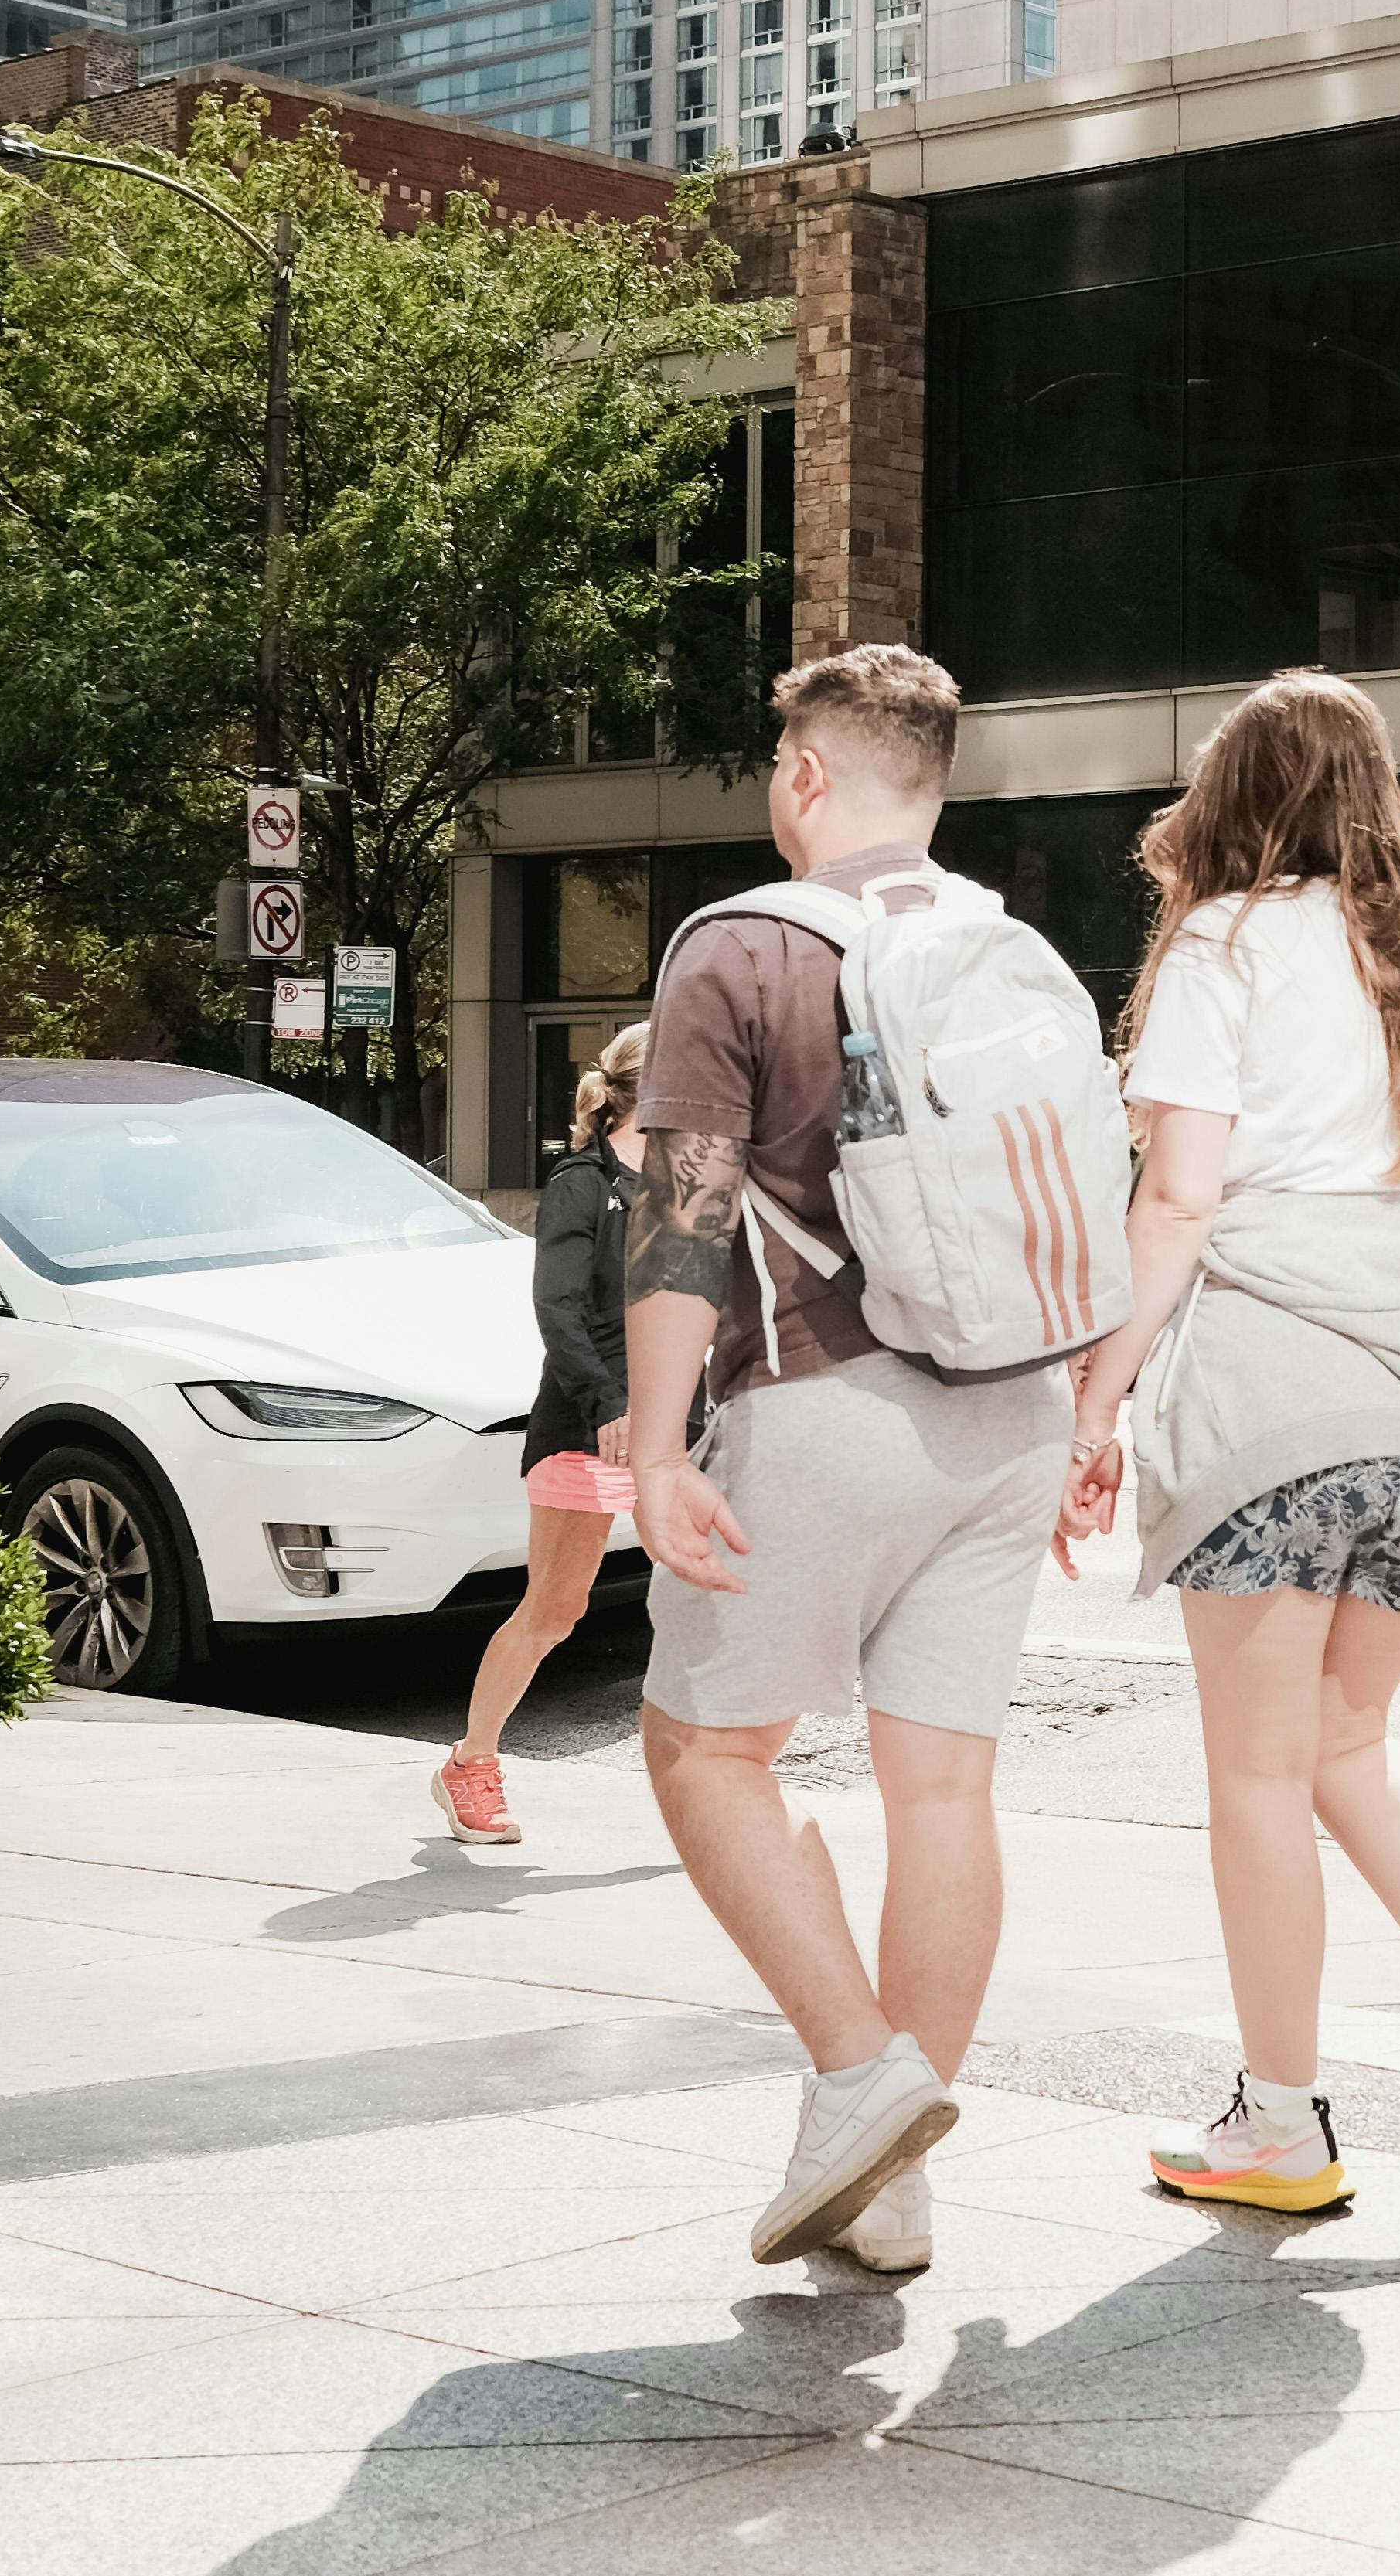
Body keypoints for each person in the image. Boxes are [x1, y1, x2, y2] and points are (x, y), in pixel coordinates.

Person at [1054, 669, 1400, 2220]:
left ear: (1239, 798)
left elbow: (1178, 1199)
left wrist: (1096, 1397)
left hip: (1274, 1404)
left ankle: (1280, 2125)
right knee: (1348, 1745)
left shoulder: (1224, 943)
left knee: (1259, 1776)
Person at [624, 643, 1077, 2279]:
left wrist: (658, 1446)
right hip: (1017, 1411)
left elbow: (685, 1210)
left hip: (829, 1401)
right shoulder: (1011, 947)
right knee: (942, 1789)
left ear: (804, 773)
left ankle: (858, 2074)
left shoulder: (737, 946)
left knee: (704, 1752)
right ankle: (892, 2192)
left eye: (775, 762)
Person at [431, 1020, 650, 1846]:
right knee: (556, 1609)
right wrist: (608, 1405)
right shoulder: (581, 1184)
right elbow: (558, 1310)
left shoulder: (696, 1181)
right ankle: (471, 1763)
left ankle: (711, 1770)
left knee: (715, 1597)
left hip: (680, 1427)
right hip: (591, 1426)